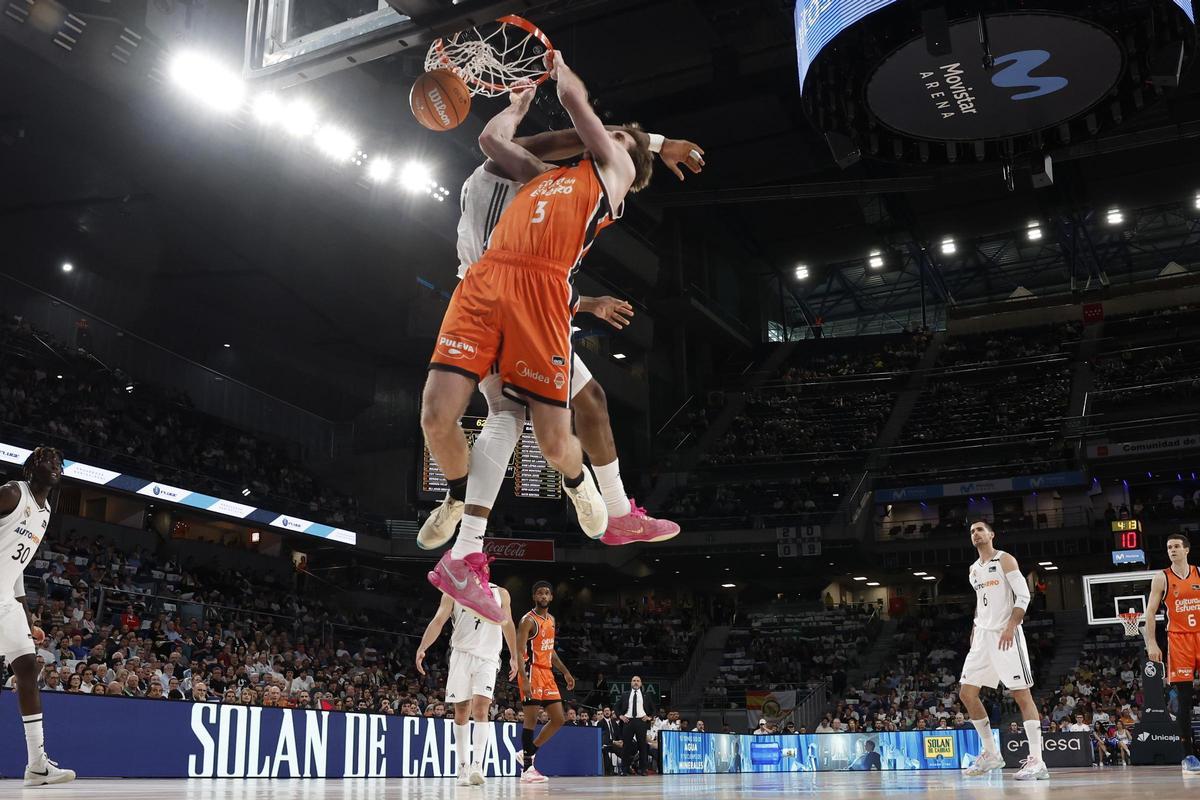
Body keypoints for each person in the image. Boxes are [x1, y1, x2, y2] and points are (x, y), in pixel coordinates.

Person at [421, 51, 659, 621]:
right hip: (485, 281)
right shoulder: (545, 177)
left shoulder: (615, 175)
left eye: (621, 137)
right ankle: (464, 526)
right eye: (612, 133)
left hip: (542, 294)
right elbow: (493, 142)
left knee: (560, 428)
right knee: (444, 417)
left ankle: (584, 486)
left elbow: (578, 107)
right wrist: (520, 102)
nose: (611, 136)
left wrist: (557, 63)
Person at [416, 102, 702, 562]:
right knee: (507, 414)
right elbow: (520, 140)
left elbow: (541, 271)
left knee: (591, 400)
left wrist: (584, 303)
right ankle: (466, 519)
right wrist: (653, 141)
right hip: (488, 298)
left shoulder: (555, 184)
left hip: (531, 301)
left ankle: (606, 502)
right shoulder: (515, 168)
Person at [0, 447, 75, 785]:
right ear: (31, 468)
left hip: (6, 600)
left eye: (59, 463)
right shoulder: (13, 493)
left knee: (28, 669)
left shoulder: (45, 512)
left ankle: (37, 765)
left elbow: (16, 567)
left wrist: (27, 614)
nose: (55, 466)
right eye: (47, 460)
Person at [959, 520, 1047, 780]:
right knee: (967, 693)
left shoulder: (1005, 559)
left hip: (1006, 634)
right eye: (972, 531)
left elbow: (1024, 596)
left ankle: (1037, 761)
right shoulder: (973, 569)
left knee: (1021, 695)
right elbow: (980, 603)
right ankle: (991, 753)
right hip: (982, 636)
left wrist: (1011, 626)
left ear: (991, 534)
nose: (975, 533)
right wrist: (974, 628)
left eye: (980, 530)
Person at [415, 582, 522, 787]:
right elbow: (438, 621)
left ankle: (477, 765)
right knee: (462, 711)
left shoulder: (500, 593)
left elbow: (508, 623)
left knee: (481, 709)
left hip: (488, 658)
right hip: (461, 655)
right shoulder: (452, 592)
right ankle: (463, 766)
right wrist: (422, 647)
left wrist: (514, 655)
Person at [1143, 532, 1200, 772]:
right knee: (1184, 700)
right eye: (1169, 547)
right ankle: (1189, 756)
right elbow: (1150, 612)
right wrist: (1151, 643)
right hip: (1178, 640)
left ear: (1186, 549)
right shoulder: (1162, 578)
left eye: (1177, 546)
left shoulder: (1199, 573)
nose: (1173, 550)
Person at [515, 581, 576, 783]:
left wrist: (565, 672)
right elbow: (518, 651)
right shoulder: (528, 620)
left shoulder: (551, 620)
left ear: (551, 597)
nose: (543, 596)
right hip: (531, 671)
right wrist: (524, 679)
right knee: (531, 720)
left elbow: (550, 651)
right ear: (534, 596)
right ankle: (527, 769)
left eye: (546, 593)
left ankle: (528, 752)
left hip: (547, 673)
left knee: (559, 718)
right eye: (539, 593)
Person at [617, 675, 657, 776]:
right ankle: (624, 769)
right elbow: (616, 707)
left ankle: (643, 769)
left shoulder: (646, 695)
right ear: (631, 683)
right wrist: (620, 716)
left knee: (642, 746)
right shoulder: (625, 694)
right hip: (628, 721)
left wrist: (649, 717)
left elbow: (653, 709)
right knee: (626, 746)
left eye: (638, 681)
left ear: (641, 683)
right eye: (634, 680)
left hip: (641, 721)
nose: (636, 682)